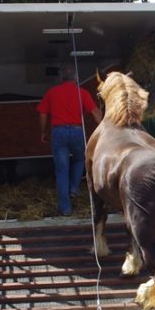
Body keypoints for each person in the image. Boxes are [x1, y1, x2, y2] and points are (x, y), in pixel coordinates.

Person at [37, 64, 103, 215]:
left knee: (62, 170)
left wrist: (43, 131)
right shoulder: (83, 93)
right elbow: (95, 113)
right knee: (81, 160)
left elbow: (42, 114)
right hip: (77, 132)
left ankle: (65, 209)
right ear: (76, 78)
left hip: (58, 133)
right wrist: (106, 128)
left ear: (60, 78)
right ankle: (73, 188)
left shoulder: (52, 93)